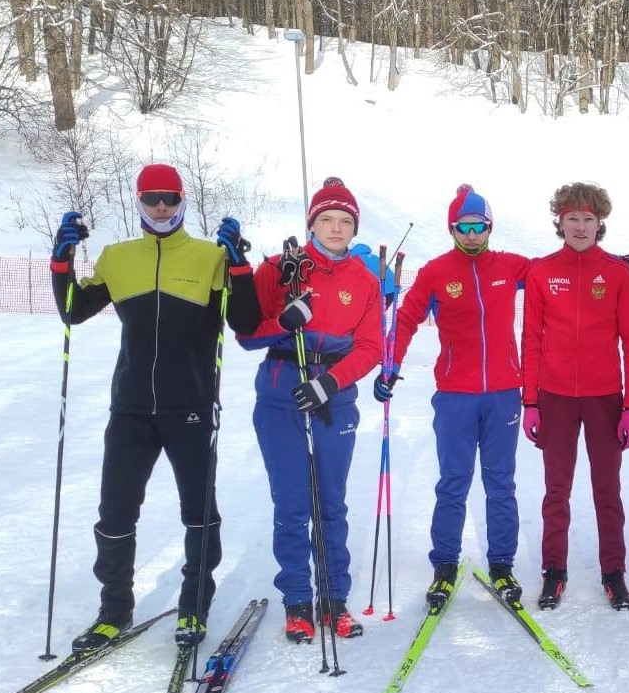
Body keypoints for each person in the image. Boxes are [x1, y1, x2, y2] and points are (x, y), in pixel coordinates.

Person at [50, 163, 260, 652]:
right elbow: (74, 312)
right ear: (139, 202)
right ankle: (113, 612)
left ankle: (194, 607)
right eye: (151, 199)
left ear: (182, 200)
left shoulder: (209, 257)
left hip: (190, 406)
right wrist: (62, 263)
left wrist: (239, 266)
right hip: (130, 409)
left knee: (198, 513)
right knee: (115, 513)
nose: (161, 206)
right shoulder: (118, 257)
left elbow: (246, 323)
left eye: (169, 197)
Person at [239, 177, 383, 642]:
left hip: (333, 399)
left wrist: (330, 382)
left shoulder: (364, 279)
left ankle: (334, 598)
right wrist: (284, 321)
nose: (336, 228)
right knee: (293, 502)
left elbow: (370, 346)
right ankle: (297, 600)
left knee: (331, 504)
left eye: (345, 221)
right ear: (312, 223)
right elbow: (246, 335)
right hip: (281, 397)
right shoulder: (282, 268)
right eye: (327, 219)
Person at [375, 185, 531, 606]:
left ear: (489, 226)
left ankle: (502, 563)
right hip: (455, 397)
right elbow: (406, 320)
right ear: (452, 229)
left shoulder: (509, 266)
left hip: (503, 395)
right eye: (463, 227)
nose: (471, 235)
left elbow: (558, 275)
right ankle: (444, 563)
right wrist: (389, 365)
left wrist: (607, 264)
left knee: (501, 484)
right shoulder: (436, 272)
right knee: (453, 483)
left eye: (478, 227)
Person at [522, 182, 629, 610]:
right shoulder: (540, 272)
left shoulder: (616, 273)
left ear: (600, 223)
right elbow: (531, 341)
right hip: (554, 397)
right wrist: (530, 401)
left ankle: (614, 573)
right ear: (559, 221)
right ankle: (553, 571)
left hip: (604, 398)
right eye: (572, 218)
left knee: (606, 489)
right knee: (556, 489)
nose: (580, 226)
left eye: (588, 218)